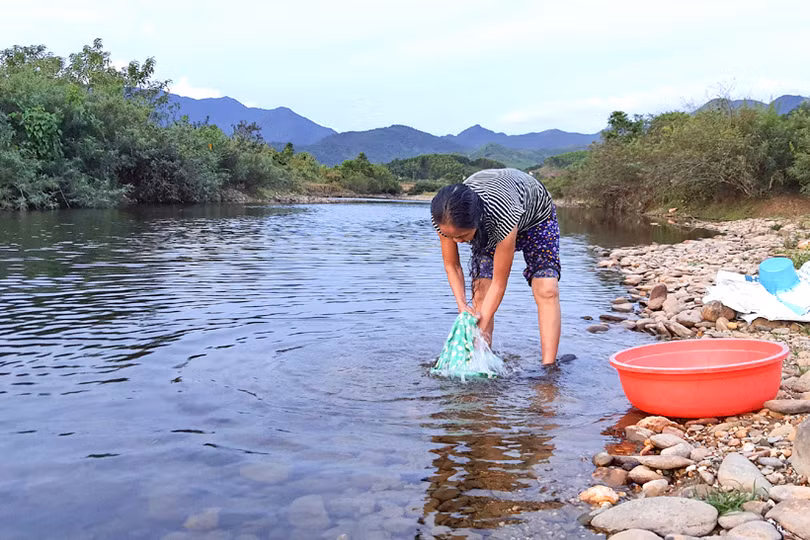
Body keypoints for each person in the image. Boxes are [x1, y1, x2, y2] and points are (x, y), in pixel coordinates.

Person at [431, 168, 561, 365]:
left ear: (476, 222)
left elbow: (500, 283)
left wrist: (480, 324)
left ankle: (549, 369)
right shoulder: (444, 217)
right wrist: (462, 306)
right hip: (490, 218)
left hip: (536, 219)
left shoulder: (501, 216)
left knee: (546, 288)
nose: (456, 241)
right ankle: (480, 360)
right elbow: (452, 266)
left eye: (462, 237)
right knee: (481, 291)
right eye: (450, 236)